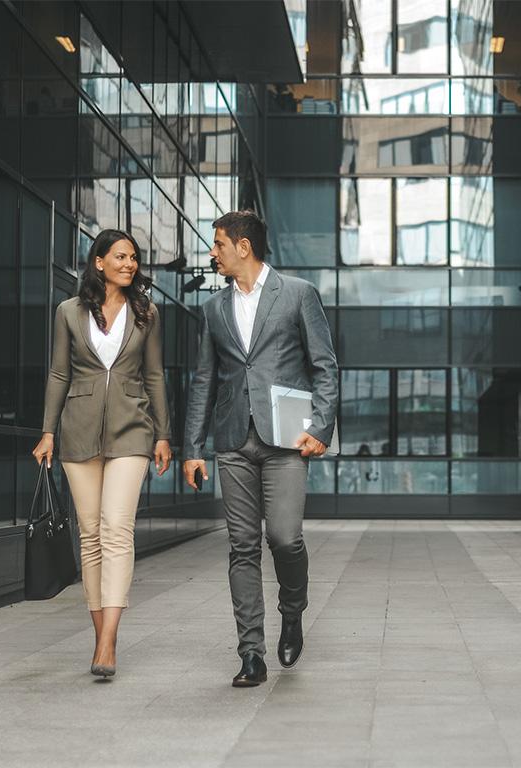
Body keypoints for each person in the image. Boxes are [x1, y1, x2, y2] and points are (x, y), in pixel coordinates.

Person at [183, 210, 338, 687]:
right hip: (232, 441)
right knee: (242, 547)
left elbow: (325, 367)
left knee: (285, 538)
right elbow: (204, 380)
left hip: (286, 440)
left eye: (219, 244)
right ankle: (251, 652)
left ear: (243, 247)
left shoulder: (297, 295)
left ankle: (293, 612)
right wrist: (193, 447)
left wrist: (321, 427)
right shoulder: (213, 309)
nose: (214, 253)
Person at [32, 229, 172, 679]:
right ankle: (99, 636)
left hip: (132, 432)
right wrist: (47, 431)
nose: (130, 264)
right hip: (78, 432)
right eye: (120, 257)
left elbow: (154, 376)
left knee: (117, 529)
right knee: (90, 534)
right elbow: (58, 373)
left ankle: (109, 640)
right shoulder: (69, 313)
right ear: (98, 262)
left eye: (133, 258)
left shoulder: (147, 312)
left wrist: (163, 435)